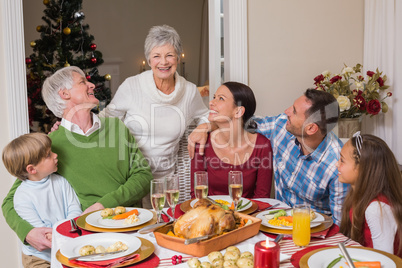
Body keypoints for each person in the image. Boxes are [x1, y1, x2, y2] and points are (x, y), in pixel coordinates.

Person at [2, 66, 153, 253]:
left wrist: (103, 205)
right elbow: (10, 200)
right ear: (64, 93)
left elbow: (144, 176)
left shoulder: (116, 127)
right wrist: (27, 232)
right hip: (91, 239)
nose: (91, 85)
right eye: (83, 82)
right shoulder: (51, 146)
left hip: (133, 228)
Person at [188, 88, 348, 225]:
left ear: (311, 128)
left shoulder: (337, 164)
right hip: (276, 223)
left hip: (313, 232)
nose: (286, 112)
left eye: (293, 111)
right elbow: (239, 121)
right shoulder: (280, 126)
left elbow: (339, 224)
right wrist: (206, 126)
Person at [99, 24, 209, 180]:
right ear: (149, 60)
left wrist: (205, 126)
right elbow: (106, 118)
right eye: (156, 56)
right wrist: (71, 125)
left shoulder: (189, 91)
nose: (163, 62)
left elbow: (207, 115)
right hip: (130, 177)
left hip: (167, 180)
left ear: (178, 57)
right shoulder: (132, 86)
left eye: (169, 55)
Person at [2, 133, 82, 267]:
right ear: (32, 169)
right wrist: (63, 233)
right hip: (38, 257)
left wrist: (66, 230)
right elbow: (42, 234)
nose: (55, 155)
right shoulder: (22, 196)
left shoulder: (61, 181)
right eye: (48, 155)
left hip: (65, 246)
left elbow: (74, 208)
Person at [190, 82, 272, 198]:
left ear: (238, 111)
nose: (211, 102)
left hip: (248, 215)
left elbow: (262, 197)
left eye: (221, 99)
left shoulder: (262, 146)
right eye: (214, 97)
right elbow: (197, 195)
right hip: (211, 213)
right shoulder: (202, 142)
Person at [338, 132, 402, 256]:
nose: (337, 164)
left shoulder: (377, 208)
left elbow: (384, 259)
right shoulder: (358, 194)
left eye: (342, 160)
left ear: (362, 168)